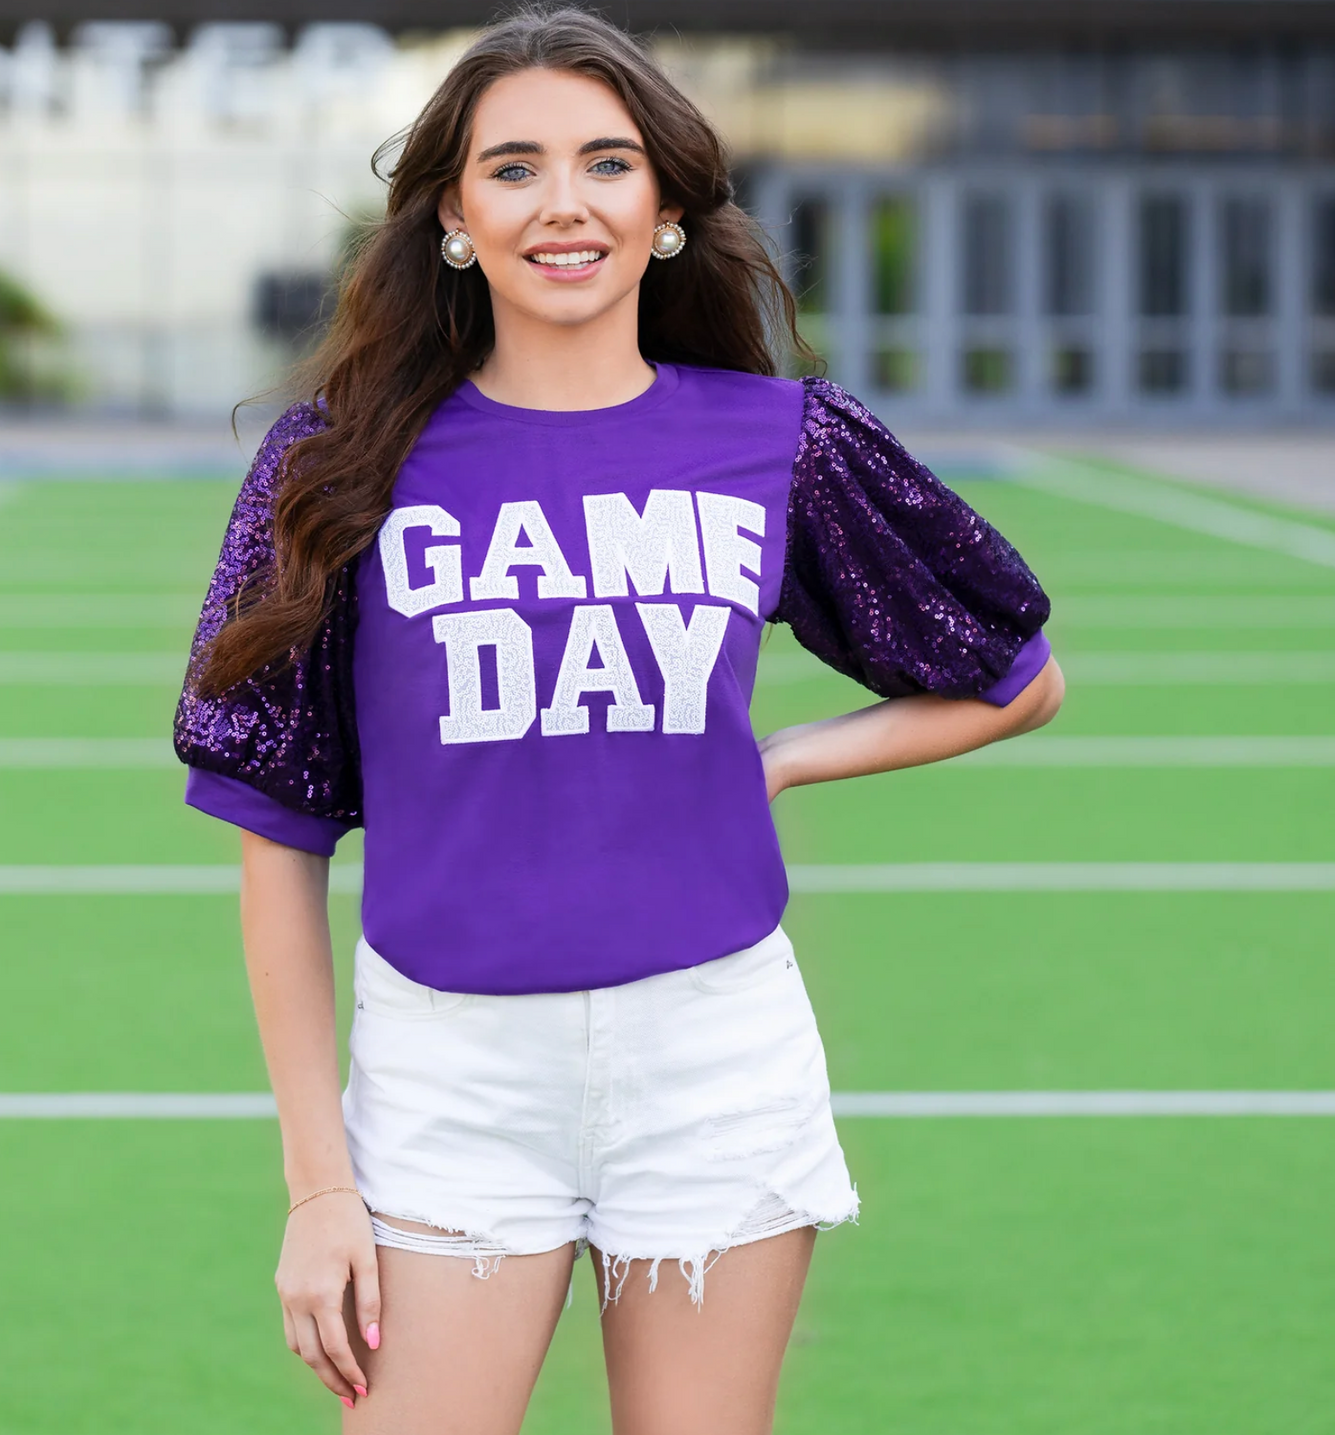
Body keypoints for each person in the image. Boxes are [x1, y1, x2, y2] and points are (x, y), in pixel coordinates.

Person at [174, 9, 1063, 1432]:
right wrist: (318, 1182)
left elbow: (1016, 675)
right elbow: (276, 829)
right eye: (514, 167)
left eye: (608, 161)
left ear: (662, 208)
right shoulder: (338, 464)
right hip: (447, 1072)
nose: (565, 202)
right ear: (455, 215)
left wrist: (782, 761)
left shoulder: (780, 438)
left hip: (714, 1054)